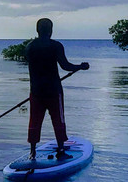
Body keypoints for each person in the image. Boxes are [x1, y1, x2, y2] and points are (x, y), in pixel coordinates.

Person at [24, 18, 89, 159]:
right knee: (58, 119)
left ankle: (32, 152)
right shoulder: (56, 46)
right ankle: (60, 150)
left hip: (36, 90)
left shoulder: (30, 46)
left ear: (37, 30)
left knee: (34, 120)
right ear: (51, 30)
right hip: (53, 90)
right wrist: (80, 66)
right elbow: (65, 65)